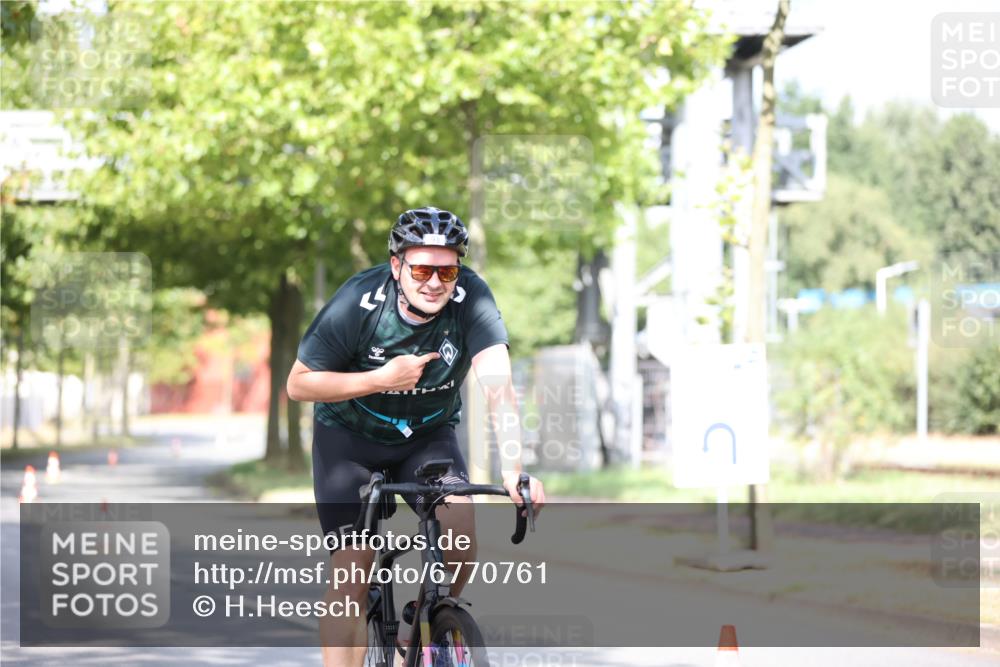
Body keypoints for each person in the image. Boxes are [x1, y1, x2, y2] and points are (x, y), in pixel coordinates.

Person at [287, 206, 545, 666]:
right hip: (349, 439)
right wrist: (379, 379)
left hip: (427, 437)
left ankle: (421, 629)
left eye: (447, 271)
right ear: (396, 266)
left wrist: (514, 470)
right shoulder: (358, 302)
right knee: (352, 575)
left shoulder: (472, 300)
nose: (434, 282)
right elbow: (298, 384)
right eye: (422, 269)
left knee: (460, 538)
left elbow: (499, 387)